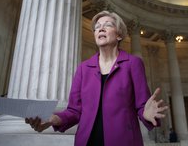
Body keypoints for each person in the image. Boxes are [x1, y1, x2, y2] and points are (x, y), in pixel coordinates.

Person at [25, 10, 168, 146]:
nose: (101, 29)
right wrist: (53, 119)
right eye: (97, 27)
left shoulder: (133, 63)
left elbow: (143, 105)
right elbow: (74, 111)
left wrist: (146, 113)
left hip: (123, 141)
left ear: (119, 35)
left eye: (108, 25)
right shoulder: (83, 68)